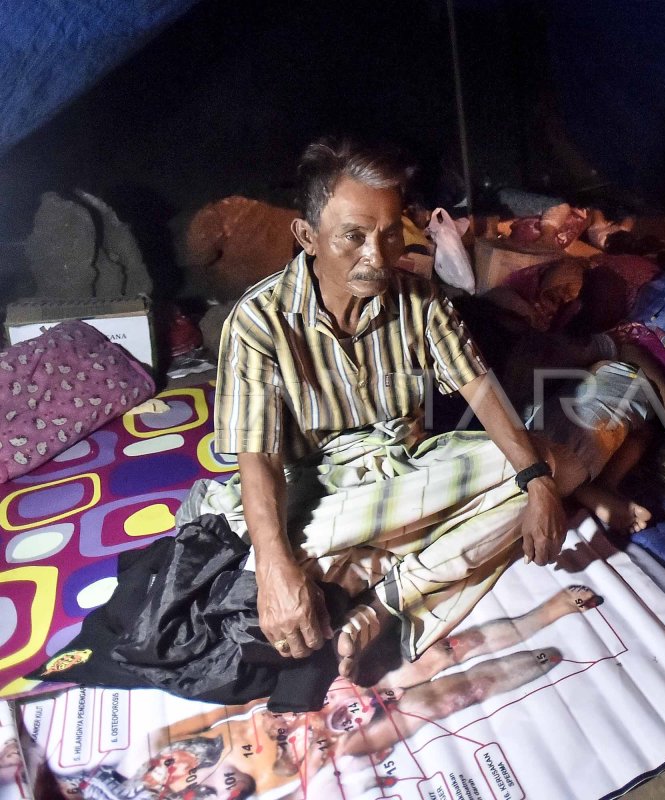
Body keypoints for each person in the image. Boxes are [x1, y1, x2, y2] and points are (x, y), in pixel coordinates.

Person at [205, 137, 595, 684]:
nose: (376, 254)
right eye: (353, 236)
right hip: (318, 492)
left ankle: (385, 601)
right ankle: (391, 564)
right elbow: (261, 460)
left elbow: (481, 390)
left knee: (558, 471)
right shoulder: (257, 322)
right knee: (263, 585)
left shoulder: (421, 300)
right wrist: (275, 567)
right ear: (306, 236)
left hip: (408, 473)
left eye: (390, 234)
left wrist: (536, 481)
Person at [113, 587, 601, 799]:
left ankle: (549, 612)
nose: (171, 772)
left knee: (450, 649)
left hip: (325, 695)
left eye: (167, 770)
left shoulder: (175, 747)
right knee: (459, 696)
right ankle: (541, 650)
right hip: (345, 740)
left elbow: (236, 704)